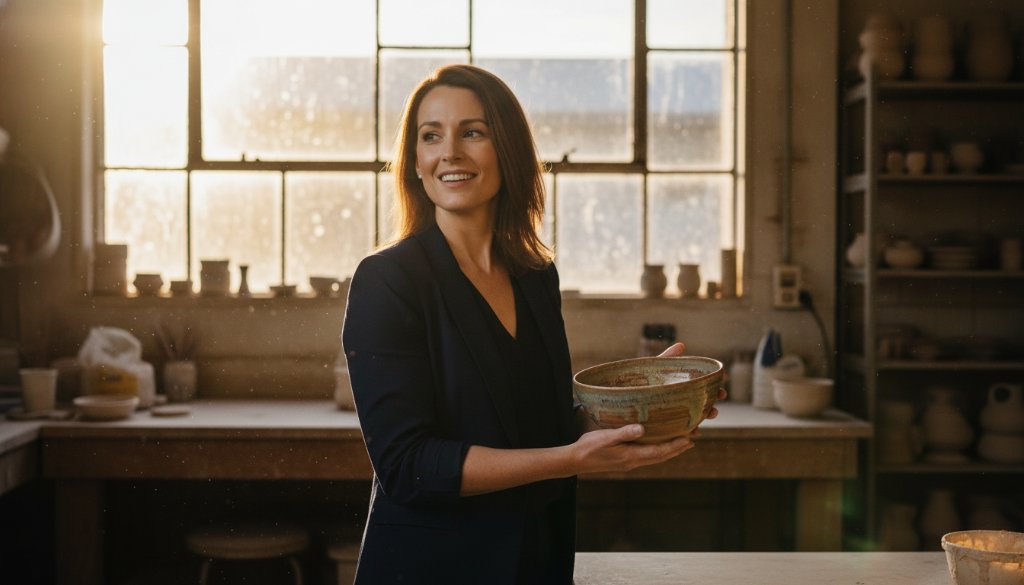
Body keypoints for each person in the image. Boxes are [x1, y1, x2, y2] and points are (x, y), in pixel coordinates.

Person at [342, 64, 722, 585]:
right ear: (415, 162)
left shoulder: (535, 276)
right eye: (431, 136)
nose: (449, 152)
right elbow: (409, 466)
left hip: (536, 561)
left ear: (509, 151)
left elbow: (539, 428)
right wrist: (570, 460)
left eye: (472, 132)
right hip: (431, 569)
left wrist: (635, 410)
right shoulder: (388, 280)